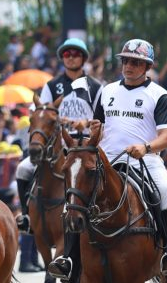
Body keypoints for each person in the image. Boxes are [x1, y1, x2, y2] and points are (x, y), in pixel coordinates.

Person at [48, 39, 167, 283]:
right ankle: (68, 259)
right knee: (74, 200)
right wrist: (92, 131)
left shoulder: (159, 95)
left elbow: (166, 136)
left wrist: (146, 147)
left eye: (135, 62)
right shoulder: (108, 90)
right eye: (125, 60)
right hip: (107, 162)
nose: (128, 66)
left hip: (145, 160)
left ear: (147, 66)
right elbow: (97, 126)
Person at [15, 38, 102, 234]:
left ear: (83, 58)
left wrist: (86, 123)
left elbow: (102, 119)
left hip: (85, 147)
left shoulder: (95, 87)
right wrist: (62, 120)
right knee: (22, 169)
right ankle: (27, 216)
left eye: (75, 54)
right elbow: (41, 112)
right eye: (66, 54)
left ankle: (99, 215)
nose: (71, 58)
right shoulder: (52, 85)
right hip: (57, 145)